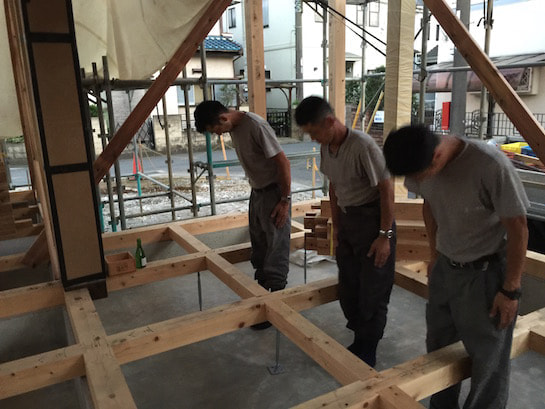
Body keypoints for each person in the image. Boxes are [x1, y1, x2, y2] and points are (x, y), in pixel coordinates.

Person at [383, 124, 529, 409]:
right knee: (439, 347)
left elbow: (518, 227)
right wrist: (434, 254)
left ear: (437, 157)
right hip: (446, 268)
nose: (417, 182)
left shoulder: (489, 166)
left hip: (485, 274)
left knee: (488, 359)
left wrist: (511, 290)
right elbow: (429, 204)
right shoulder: (418, 159)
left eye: (420, 176)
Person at [295, 96, 396, 367]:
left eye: (314, 132)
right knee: (349, 286)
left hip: (372, 220)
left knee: (373, 289)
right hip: (349, 220)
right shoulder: (327, 148)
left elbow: (386, 190)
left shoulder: (363, 146)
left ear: (330, 121)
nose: (313, 139)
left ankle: (368, 348)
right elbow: (334, 186)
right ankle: (360, 338)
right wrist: (337, 225)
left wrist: (384, 236)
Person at [194, 101, 291, 329]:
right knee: (259, 244)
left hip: (274, 193)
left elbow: (283, 162)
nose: (218, 135)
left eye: (216, 130)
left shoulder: (256, 126)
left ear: (223, 118)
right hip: (257, 192)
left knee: (276, 247)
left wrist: (284, 200)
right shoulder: (234, 127)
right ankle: (261, 297)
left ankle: (276, 305)